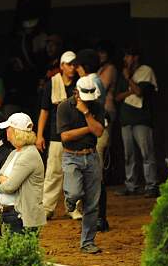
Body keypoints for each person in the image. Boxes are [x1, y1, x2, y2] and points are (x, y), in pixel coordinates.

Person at [57, 76, 105, 254]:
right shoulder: (64, 107)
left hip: (91, 156)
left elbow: (99, 132)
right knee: (75, 192)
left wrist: (86, 113)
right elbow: (65, 136)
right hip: (71, 156)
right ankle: (70, 200)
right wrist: (89, 127)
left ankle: (87, 242)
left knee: (92, 203)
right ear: (76, 92)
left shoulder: (96, 106)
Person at [36, 51, 82, 220]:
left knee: (74, 173)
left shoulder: (79, 83)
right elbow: (44, 111)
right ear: (62, 66)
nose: (72, 68)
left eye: (74, 65)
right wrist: (39, 135)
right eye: (69, 64)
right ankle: (47, 207)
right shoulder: (52, 84)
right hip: (57, 135)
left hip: (76, 135)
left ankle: (73, 207)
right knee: (53, 172)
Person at [74, 48, 112, 231]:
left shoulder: (90, 81)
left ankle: (98, 217)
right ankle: (97, 217)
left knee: (95, 175)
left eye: (79, 66)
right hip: (95, 128)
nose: (76, 70)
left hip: (93, 129)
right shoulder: (96, 80)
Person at [115, 45, 159, 198]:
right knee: (129, 155)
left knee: (146, 153)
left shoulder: (146, 71)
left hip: (141, 118)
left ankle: (151, 185)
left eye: (128, 56)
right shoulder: (124, 73)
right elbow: (117, 96)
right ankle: (131, 185)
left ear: (135, 57)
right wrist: (130, 88)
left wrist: (129, 79)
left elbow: (140, 92)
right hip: (126, 118)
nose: (125, 59)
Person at [0, 112, 47, 234]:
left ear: (15, 132)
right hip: (8, 213)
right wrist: (3, 179)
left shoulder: (29, 155)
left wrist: (3, 180)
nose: (6, 133)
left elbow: (9, 187)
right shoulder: (14, 153)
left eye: (8, 129)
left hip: (20, 216)